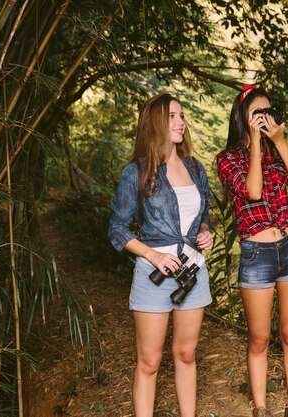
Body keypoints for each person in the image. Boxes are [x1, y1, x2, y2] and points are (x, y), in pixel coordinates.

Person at [108, 93, 213, 417]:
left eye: (181, 116)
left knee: (185, 355)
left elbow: (204, 212)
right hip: (153, 277)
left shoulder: (195, 168)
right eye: (172, 116)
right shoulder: (136, 172)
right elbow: (117, 229)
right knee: (150, 362)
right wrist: (153, 256)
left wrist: (206, 231)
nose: (181, 122)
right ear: (154, 122)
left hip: (192, 272)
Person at [216, 85, 288, 417]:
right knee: (259, 337)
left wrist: (280, 142)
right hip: (257, 253)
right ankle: (260, 408)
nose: (265, 118)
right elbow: (253, 191)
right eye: (259, 113)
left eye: (269, 112)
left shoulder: (277, 152)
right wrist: (255, 145)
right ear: (242, 118)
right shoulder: (227, 160)